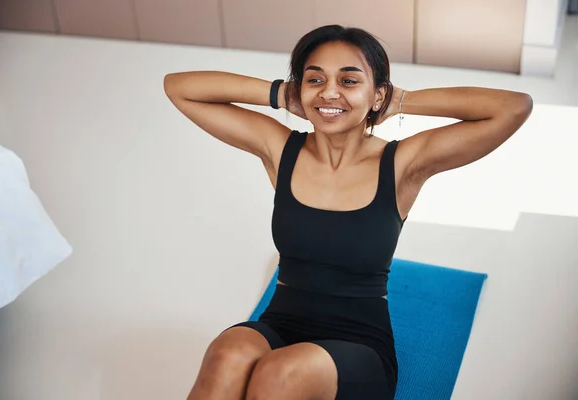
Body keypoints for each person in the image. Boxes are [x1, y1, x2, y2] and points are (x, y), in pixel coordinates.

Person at [164, 25, 532, 400]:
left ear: (377, 95)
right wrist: (281, 94)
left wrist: (401, 100)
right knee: (228, 355)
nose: (329, 92)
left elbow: (513, 107)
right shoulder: (280, 148)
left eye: (349, 80)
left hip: (359, 343)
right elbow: (179, 87)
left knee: (280, 373)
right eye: (315, 79)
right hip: (280, 323)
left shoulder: (402, 163)